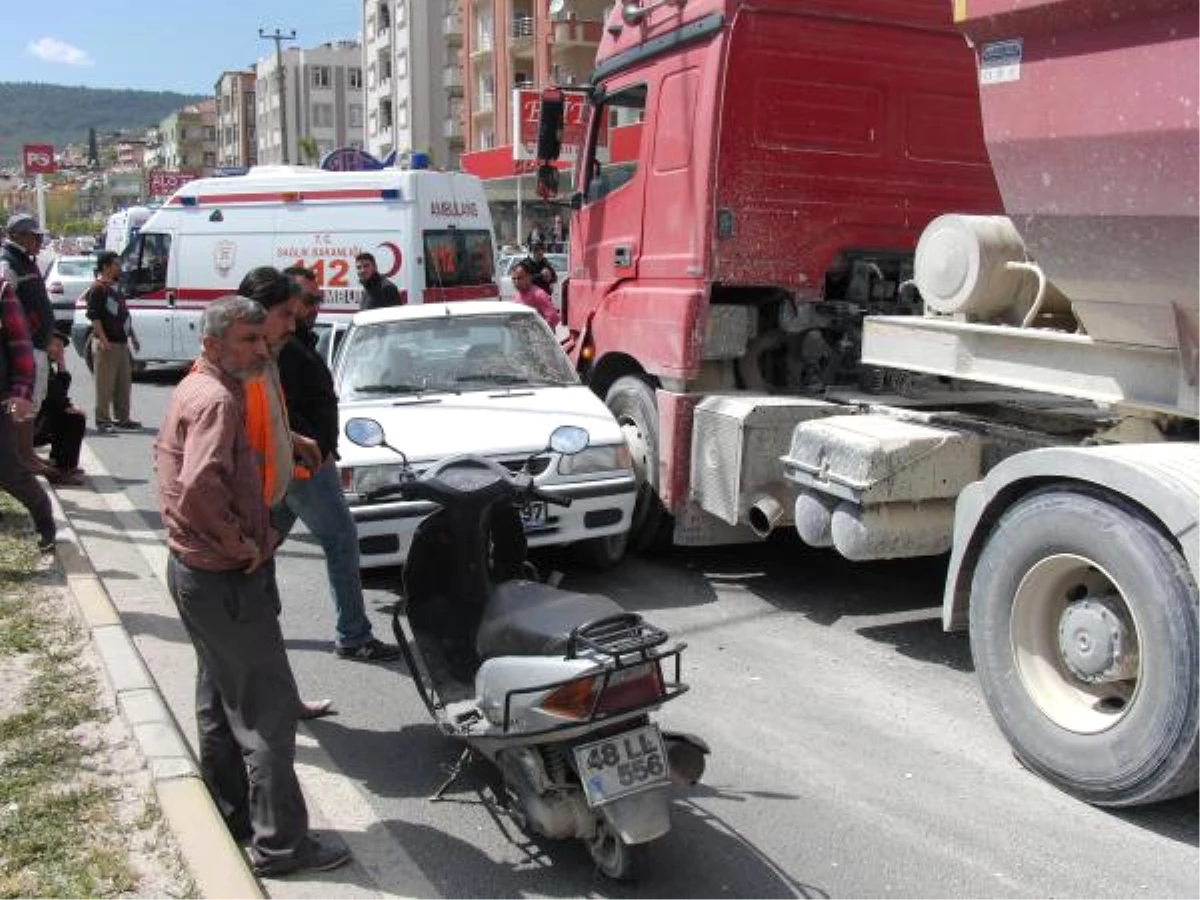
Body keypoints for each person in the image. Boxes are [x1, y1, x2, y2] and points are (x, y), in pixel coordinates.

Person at [154, 295, 351, 878]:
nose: (261, 350)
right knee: (267, 714)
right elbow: (197, 486)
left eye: (261, 340)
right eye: (247, 341)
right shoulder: (217, 398)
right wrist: (240, 543)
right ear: (211, 345)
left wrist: (288, 445)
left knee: (219, 697)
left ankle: (233, 813)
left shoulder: (200, 386)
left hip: (197, 573)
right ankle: (282, 847)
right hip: (224, 576)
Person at [277, 266, 399, 661]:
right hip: (305, 466)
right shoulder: (283, 348)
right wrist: (313, 446)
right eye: (309, 300)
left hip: (304, 460)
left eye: (318, 299)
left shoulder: (296, 342)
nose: (316, 307)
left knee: (261, 546)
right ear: (288, 301)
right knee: (341, 539)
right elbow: (280, 409)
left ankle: (255, 624)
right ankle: (354, 635)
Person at [0, 277, 56, 553]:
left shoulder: (2, 290)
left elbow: (21, 345)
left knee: (7, 468)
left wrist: (21, 391)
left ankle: (42, 512)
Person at [0, 214, 56, 476]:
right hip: (25, 344)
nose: (38, 241)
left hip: (38, 343)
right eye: (34, 236)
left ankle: (28, 453)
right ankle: (21, 455)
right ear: (18, 236)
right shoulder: (8, 262)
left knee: (35, 399)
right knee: (25, 399)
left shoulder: (27, 262)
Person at [84, 250, 141, 432]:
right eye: (115, 264)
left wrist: (132, 335)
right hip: (107, 343)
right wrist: (102, 338)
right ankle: (103, 420)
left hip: (121, 342)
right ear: (105, 266)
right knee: (105, 385)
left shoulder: (116, 287)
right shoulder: (97, 288)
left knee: (123, 384)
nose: (119, 268)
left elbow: (123, 314)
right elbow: (94, 316)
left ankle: (123, 418)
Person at [33, 332, 86, 484]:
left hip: (34, 421)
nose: (58, 350)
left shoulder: (47, 365)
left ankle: (60, 463)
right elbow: (55, 395)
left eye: (61, 347)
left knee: (69, 414)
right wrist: (68, 406)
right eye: (54, 344)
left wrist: (61, 363)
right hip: (25, 426)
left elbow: (59, 391)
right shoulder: (39, 363)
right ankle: (62, 469)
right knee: (74, 419)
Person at [509, 260, 560, 329]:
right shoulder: (517, 296)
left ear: (529, 277)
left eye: (520, 278)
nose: (516, 282)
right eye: (514, 279)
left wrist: (537, 331)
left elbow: (553, 318)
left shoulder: (539, 295)